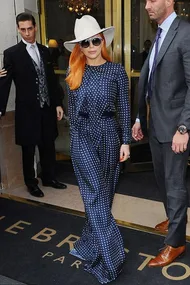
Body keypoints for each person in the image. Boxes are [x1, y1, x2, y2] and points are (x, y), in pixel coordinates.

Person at [64, 15, 131, 284]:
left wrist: (125, 140)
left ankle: (88, 246)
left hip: (109, 137)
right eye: (85, 42)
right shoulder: (74, 73)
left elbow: (125, 109)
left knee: (102, 197)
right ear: (79, 47)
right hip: (81, 138)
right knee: (94, 197)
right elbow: (71, 110)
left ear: (102, 41)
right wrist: (73, 141)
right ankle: (112, 259)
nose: (91, 46)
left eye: (95, 40)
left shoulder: (116, 72)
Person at [132, 0, 190, 267]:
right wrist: (140, 118)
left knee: (175, 185)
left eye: (152, 0)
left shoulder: (185, 31)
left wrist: (184, 128)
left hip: (176, 129)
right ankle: (173, 220)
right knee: (162, 181)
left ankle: (176, 243)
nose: (146, 6)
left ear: (169, 1)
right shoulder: (160, 33)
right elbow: (152, 81)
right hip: (156, 125)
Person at [0, 13, 67, 197]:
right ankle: (31, 183)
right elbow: (5, 82)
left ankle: (49, 177)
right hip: (27, 110)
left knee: (48, 143)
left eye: (30, 28)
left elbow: (51, 80)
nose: (27, 33)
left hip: (46, 107)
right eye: (23, 29)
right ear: (18, 29)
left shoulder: (45, 50)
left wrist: (57, 104)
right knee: (28, 148)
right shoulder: (11, 54)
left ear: (35, 27)